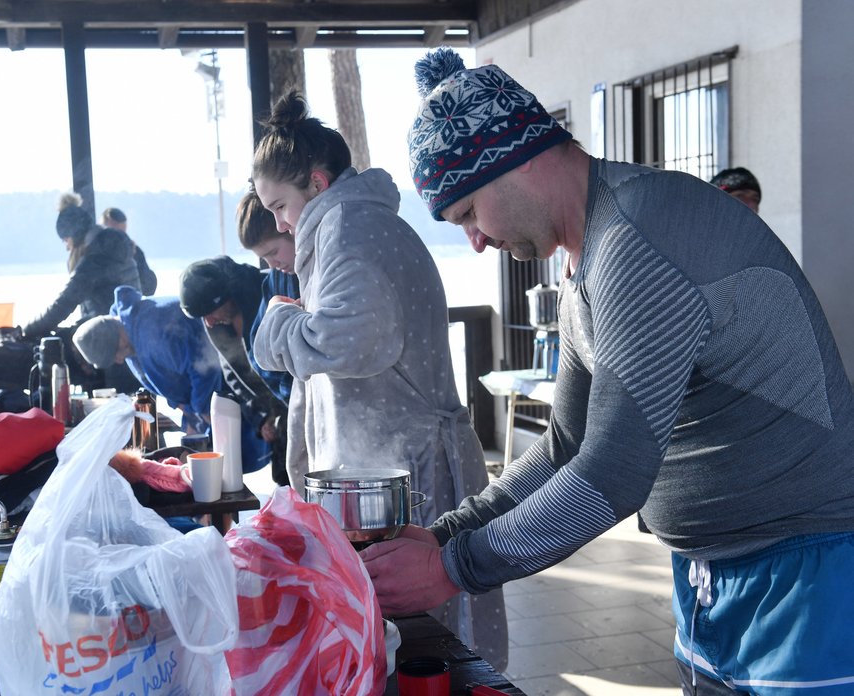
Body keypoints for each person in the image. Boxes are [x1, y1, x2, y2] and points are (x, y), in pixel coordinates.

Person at [361, 47, 854, 695]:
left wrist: (457, 566)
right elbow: (565, 447)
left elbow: (611, 475)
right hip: (714, 572)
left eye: (468, 213)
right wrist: (445, 533)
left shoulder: (638, 240)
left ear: (518, 157)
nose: (474, 241)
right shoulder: (588, 259)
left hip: (806, 570)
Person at [249, 91, 506, 670]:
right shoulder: (350, 225)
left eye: (280, 205)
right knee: (403, 635)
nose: (280, 222)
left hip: (402, 471)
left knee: (418, 642)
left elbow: (350, 341)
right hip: (389, 464)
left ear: (316, 183)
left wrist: (278, 324)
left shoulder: (350, 230)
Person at [179, 256, 289, 486]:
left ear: (226, 296)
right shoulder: (218, 320)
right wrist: (261, 417)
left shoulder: (263, 295)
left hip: (295, 401)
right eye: (203, 318)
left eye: (211, 313)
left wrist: (284, 410)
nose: (208, 323)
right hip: (274, 418)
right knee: (283, 479)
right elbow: (234, 374)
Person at [72, 285, 221, 434]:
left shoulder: (157, 333)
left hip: (223, 396)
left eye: (114, 354)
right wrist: (187, 413)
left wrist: (203, 411)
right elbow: (169, 379)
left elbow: (205, 368)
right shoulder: (130, 335)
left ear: (116, 338)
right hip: (198, 411)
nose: (118, 360)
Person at [236, 191, 301, 486]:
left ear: (291, 229)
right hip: (292, 400)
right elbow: (258, 348)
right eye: (263, 258)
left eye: (273, 252)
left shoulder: (317, 269)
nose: (272, 263)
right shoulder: (274, 279)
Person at [22, 193, 140, 338]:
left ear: (75, 235)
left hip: (111, 340)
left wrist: (25, 331)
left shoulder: (94, 261)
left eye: (66, 240)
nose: (67, 247)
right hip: (131, 332)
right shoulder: (114, 248)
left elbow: (63, 305)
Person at [101, 206, 159, 295]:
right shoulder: (94, 255)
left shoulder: (135, 253)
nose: (120, 238)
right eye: (115, 233)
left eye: (122, 233)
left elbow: (149, 288)